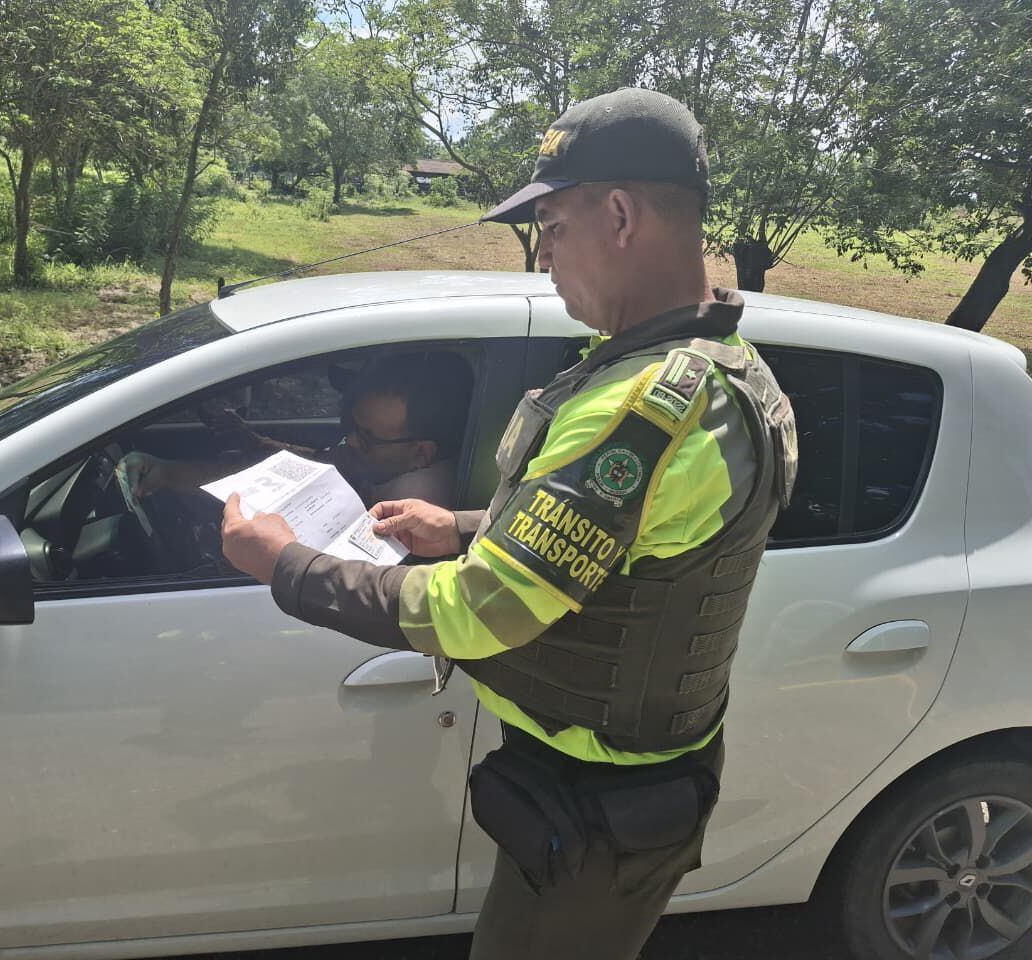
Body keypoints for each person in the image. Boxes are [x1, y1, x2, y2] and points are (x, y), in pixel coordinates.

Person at [219, 87, 798, 960]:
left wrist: (285, 565)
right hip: (613, 784)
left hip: (599, 796)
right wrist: (459, 526)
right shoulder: (719, 362)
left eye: (552, 228)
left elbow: (480, 613)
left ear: (619, 215)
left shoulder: (644, 403)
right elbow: (632, 532)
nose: (544, 257)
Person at [120, 351, 471, 509]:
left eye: (365, 437)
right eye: (352, 427)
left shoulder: (413, 499)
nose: (351, 440)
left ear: (421, 453)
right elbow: (318, 464)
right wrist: (165, 472)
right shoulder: (381, 456)